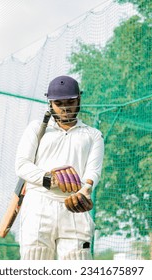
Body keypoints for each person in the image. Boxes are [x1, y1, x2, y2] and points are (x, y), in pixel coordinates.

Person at [15, 75, 105, 260]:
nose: (65, 108)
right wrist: (52, 180)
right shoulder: (36, 129)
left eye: (70, 102)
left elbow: (93, 171)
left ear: (79, 99)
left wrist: (85, 190)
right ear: (50, 104)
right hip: (39, 205)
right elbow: (22, 165)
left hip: (74, 206)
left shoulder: (93, 135)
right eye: (59, 103)